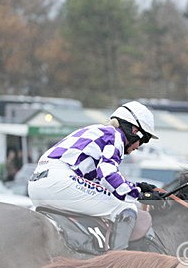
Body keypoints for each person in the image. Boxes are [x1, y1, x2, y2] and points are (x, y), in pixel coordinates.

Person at [27, 101, 159, 250]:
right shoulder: (115, 136)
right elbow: (108, 175)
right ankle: (118, 261)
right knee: (126, 208)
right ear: (134, 131)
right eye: (143, 140)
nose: (138, 147)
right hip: (59, 182)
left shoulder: (95, 130)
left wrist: (135, 186)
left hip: (35, 186)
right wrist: (139, 194)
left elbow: (99, 183)